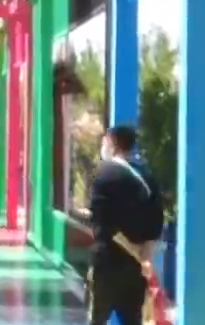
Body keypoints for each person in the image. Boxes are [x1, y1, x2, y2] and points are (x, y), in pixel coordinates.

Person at [83, 125, 165, 325]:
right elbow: (157, 221)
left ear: (112, 144)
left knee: (96, 318)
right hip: (136, 267)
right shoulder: (147, 176)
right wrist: (143, 255)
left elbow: (102, 223)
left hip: (107, 262)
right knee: (133, 319)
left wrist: (130, 248)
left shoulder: (102, 173)